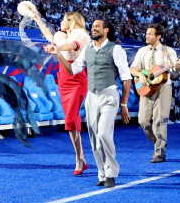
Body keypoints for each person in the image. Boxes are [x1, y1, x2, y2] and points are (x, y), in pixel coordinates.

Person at [48, 19, 132, 188]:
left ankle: (111, 172)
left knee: (103, 134)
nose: (93, 29)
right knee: (94, 138)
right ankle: (102, 174)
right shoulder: (87, 50)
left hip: (109, 96)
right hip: (92, 97)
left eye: (97, 27)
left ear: (106, 30)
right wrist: (58, 53)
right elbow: (73, 70)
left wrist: (124, 105)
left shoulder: (116, 50)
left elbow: (126, 77)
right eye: (92, 27)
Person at [34, 11, 90, 175]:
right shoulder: (59, 36)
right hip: (63, 80)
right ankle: (81, 158)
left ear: (72, 21)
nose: (61, 22)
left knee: (71, 119)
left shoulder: (81, 35)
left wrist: (56, 48)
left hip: (78, 78)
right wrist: (37, 18)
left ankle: (79, 159)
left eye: (64, 19)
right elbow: (47, 34)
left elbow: (73, 46)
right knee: (71, 121)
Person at [130, 24, 180, 163]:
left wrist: (177, 67)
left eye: (151, 34)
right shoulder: (142, 51)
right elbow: (133, 69)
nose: (147, 36)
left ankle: (159, 153)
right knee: (143, 121)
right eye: (147, 34)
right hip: (146, 87)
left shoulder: (168, 51)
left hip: (163, 87)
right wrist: (140, 75)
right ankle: (159, 142)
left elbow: (176, 69)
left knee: (160, 120)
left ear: (159, 36)